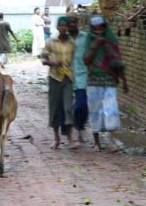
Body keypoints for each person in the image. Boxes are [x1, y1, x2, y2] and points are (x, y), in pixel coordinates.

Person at [83, 15, 128, 152]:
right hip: (93, 80)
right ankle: (96, 142)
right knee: (95, 110)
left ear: (104, 27)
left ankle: (112, 140)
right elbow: (86, 60)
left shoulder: (111, 39)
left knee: (111, 110)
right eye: (95, 28)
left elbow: (118, 61)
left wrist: (124, 81)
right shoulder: (89, 40)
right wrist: (96, 46)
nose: (98, 30)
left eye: (101, 27)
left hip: (109, 79)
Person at [40, 16, 78, 150]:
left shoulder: (72, 43)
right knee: (55, 108)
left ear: (68, 27)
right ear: (57, 27)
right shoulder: (51, 42)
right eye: (60, 26)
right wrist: (52, 62)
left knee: (68, 108)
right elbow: (43, 59)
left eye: (65, 26)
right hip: (54, 77)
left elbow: (75, 61)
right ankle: (56, 138)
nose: (63, 28)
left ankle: (70, 138)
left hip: (68, 78)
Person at [60, 12, 88, 142]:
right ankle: (69, 132)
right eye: (68, 22)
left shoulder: (85, 37)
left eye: (73, 21)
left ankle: (79, 127)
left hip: (82, 75)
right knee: (66, 106)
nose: (71, 24)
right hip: (66, 76)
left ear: (77, 22)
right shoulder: (62, 39)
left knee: (81, 104)